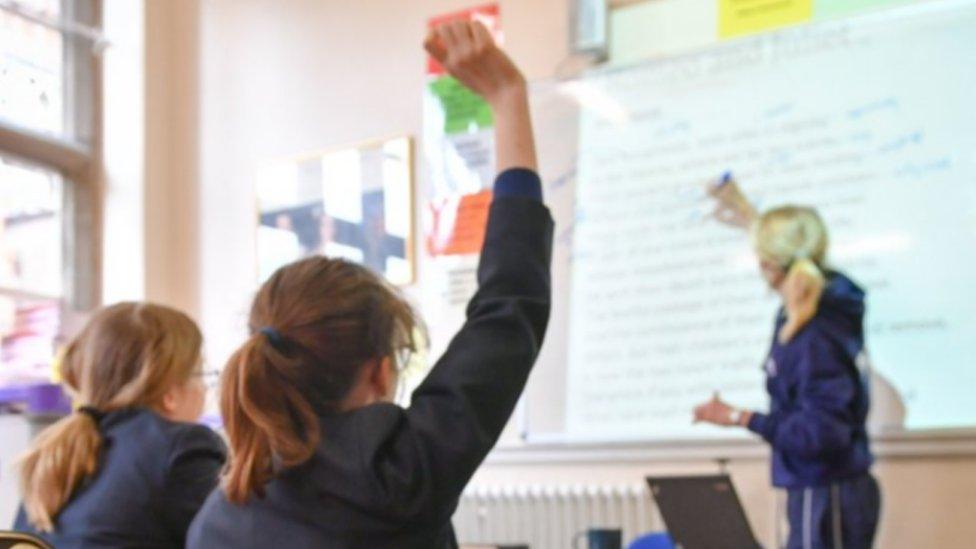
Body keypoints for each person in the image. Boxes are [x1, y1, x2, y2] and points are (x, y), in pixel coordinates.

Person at [188, 19, 553, 549]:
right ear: (380, 373)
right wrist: (507, 97)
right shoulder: (400, 475)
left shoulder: (217, 517)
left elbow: (508, 305)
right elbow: (511, 304)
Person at [693, 179, 881, 549]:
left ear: (768, 263)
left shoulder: (814, 334)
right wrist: (746, 211)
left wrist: (741, 418)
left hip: (827, 494)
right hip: (824, 489)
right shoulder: (824, 306)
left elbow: (821, 434)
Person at [13, 302, 226, 548]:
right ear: (170, 393)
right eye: (201, 373)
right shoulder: (182, 447)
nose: (204, 389)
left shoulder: (48, 458)